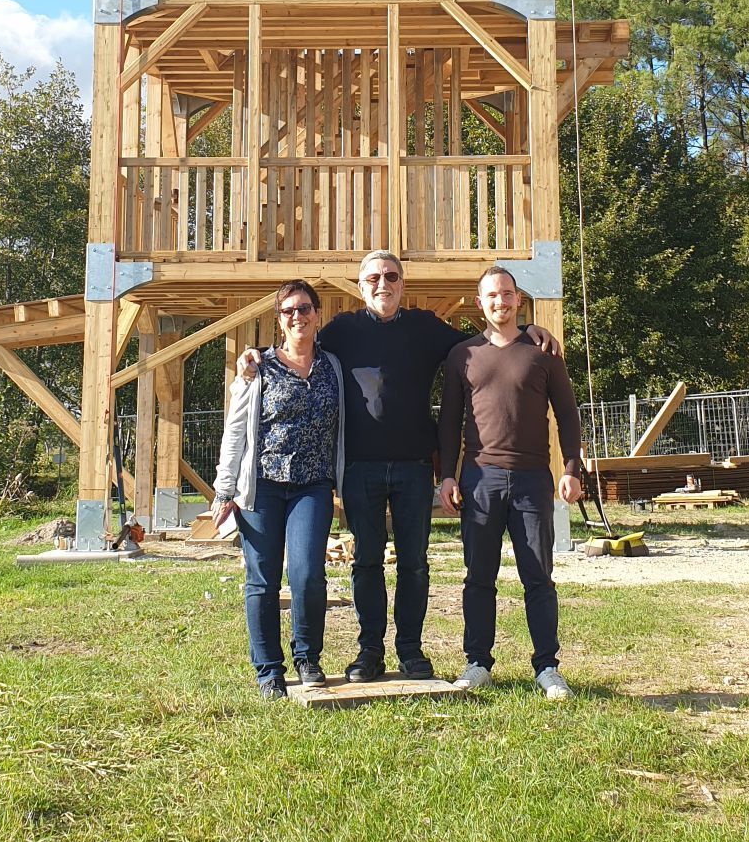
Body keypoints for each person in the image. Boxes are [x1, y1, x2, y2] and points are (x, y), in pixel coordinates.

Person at [237, 251, 559, 684]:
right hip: (360, 469)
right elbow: (296, 345)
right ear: (361, 285)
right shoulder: (342, 331)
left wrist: (527, 330)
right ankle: (369, 651)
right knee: (366, 562)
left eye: (391, 276)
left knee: (414, 564)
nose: (382, 284)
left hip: (412, 467)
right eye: (372, 278)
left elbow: (485, 341)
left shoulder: (426, 328)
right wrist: (255, 355)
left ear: (402, 283)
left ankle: (411, 650)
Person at [437, 265, 583, 700]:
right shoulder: (462, 355)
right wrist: (447, 474)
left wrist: (571, 469)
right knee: (478, 576)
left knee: (538, 576)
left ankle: (547, 668)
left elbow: (568, 414)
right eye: (491, 296)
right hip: (480, 479)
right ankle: (477, 662)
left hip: (533, 478)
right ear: (479, 303)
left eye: (506, 294)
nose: (500, 302)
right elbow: (448, 421)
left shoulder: (544, 353)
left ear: (519, 299)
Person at [213, 279, 344, 701]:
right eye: (288, 310)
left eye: (305, 308)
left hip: (313, 485)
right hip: (262, 488)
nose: (298, 316)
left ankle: (307, 657)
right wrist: (224, 489)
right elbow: (235, 429)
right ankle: (268, 670)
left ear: (317, 314)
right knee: (262, 580)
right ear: (278, 319)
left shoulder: (333, 367)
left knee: (307, 574)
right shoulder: (258, 367)